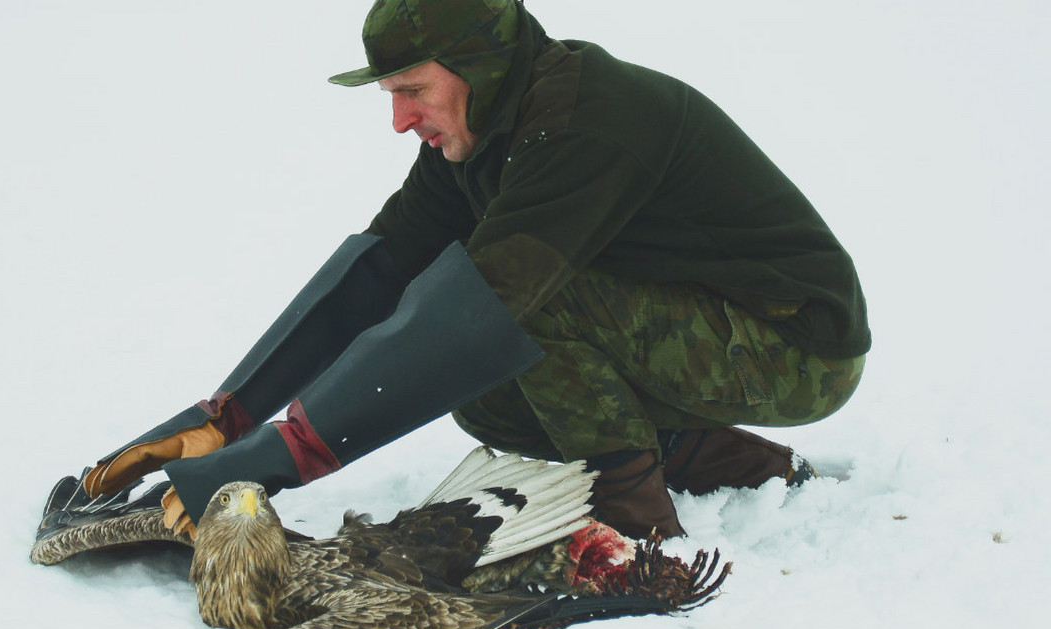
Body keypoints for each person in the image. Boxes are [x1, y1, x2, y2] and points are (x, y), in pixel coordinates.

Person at [65, 0, 869, 541]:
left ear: (477, 70)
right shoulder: (482, 130)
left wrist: (278, 460)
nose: (398, 119)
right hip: (692, 331)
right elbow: (383, 270)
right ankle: (700, 453)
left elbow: (481, 306)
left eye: (413, 90)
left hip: (796, 348)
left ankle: (634, 522)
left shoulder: (586, 123)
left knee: (508, 312)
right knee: (479, 390)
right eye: (390, 93)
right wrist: (229, 419)